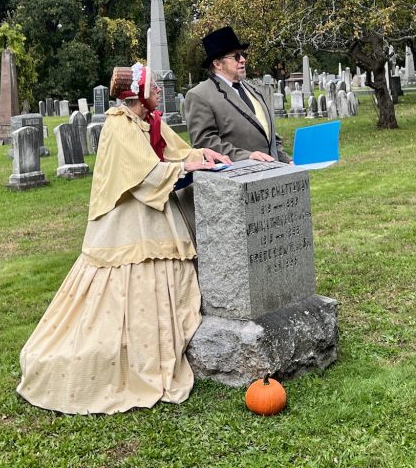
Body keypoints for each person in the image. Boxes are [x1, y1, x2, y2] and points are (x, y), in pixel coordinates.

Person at [16, 63, 229, 415]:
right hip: (130, 220)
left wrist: (201, 156)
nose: (160, 91)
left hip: (157, 212)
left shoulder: (151, 121)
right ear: (138, 92)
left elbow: (175, 152)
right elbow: (143, 174)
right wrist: (187, 168)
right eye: (154, 86)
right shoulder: (119, 124)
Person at [183, 26, 291, 163]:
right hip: (238, 177)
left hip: (272, 174)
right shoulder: (200, 95)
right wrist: (247, 156)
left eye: (243, 55)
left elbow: (268, 133)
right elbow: (205, 143)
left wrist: (286, 160)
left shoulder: (253, 90)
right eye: (236, 56)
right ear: (217, 64)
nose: (243, 60)